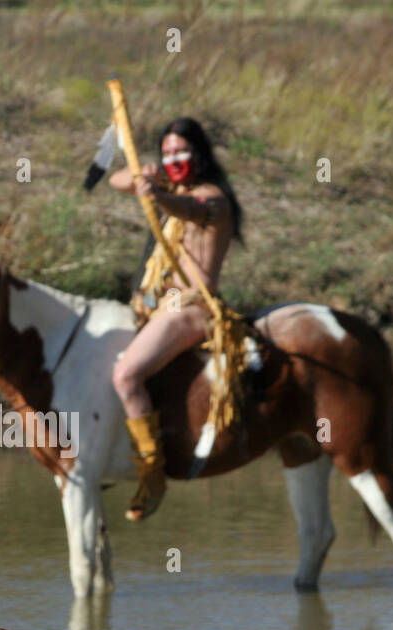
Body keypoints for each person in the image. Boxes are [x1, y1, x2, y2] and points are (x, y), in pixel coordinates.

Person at [107, 117, 242, 521]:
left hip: (192, 308)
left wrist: (157, 195)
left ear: (198, 154)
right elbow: (117, 181)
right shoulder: (169, 186)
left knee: (125, 376)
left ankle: (152, 475)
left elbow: (189, 210)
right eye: (167, 153)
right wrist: (143, 175)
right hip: (158, 308)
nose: (175, 159)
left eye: (181, 152)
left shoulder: (212, 198)